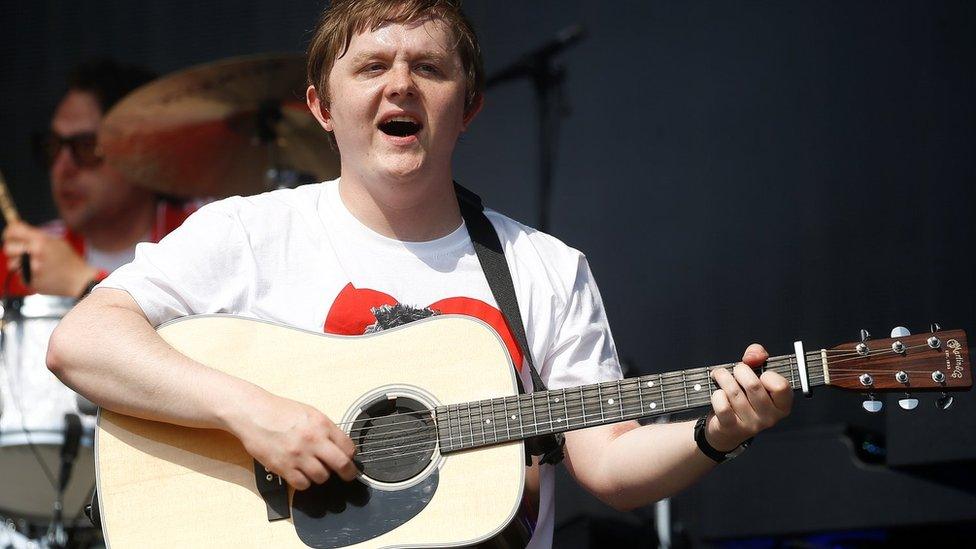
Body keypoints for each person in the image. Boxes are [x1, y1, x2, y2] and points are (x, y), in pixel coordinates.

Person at [47, 1, 793, 548]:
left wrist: (717, 431)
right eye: (372, 65)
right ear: (320, 105)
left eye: (429, 68)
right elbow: (82, 341)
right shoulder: (247, 232)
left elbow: (608, 462)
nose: (400, 84)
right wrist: (253, 412)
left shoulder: (545, 268)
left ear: (466, 107)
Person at [2, 59, 196, 299]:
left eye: (86, 147)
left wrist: (82, 281)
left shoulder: (202, 233)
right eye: (53, 147)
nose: (62, 167)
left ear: (143, 152)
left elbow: (196, 334)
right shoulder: (29, 259)